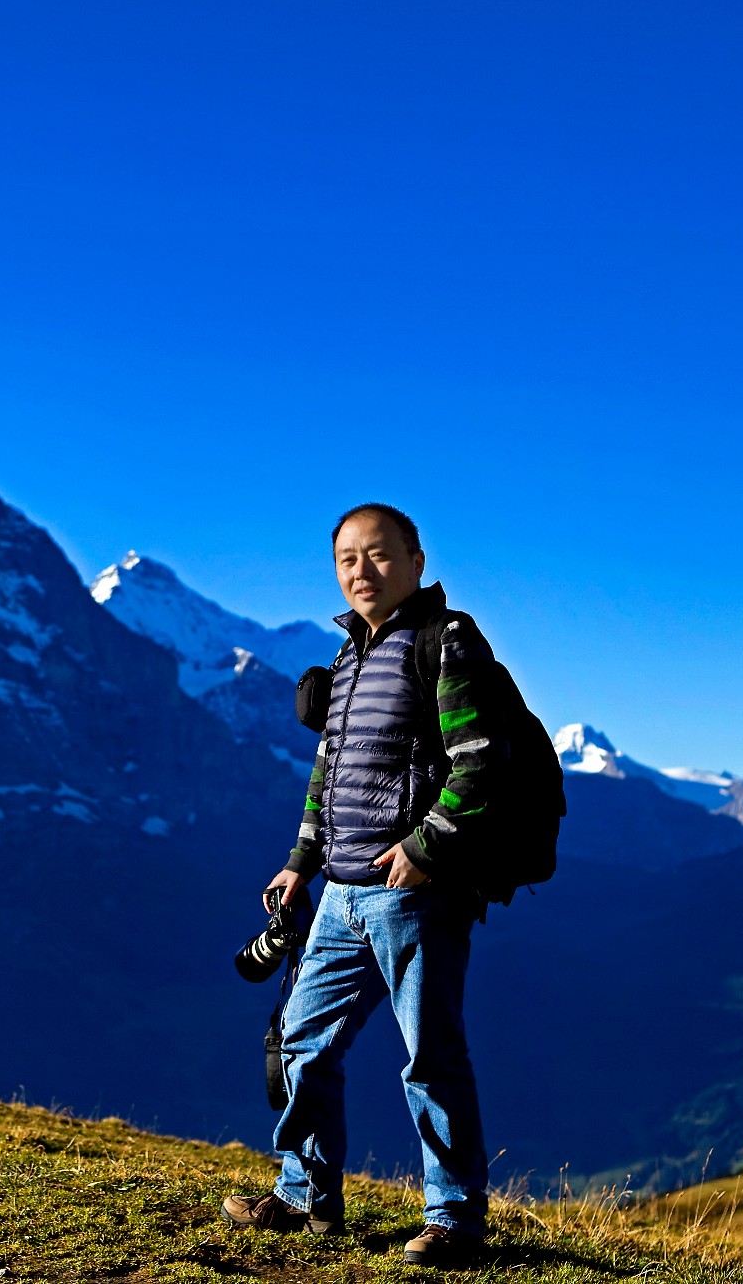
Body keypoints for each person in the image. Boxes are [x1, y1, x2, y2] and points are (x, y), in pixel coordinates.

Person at [221, 503, 506, 1269]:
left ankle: (455, 1220)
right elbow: (330, 775)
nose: (361, 570)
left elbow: (481, 761)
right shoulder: (346, 659)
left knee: (431, 1055)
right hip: (342, 893)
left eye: (378, 555)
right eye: (347, 558)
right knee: (302, 1042)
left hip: (417, 892)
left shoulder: (445, 643)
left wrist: (425, 847)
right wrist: (300, 860)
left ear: (415, 559)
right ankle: (303, 1191)